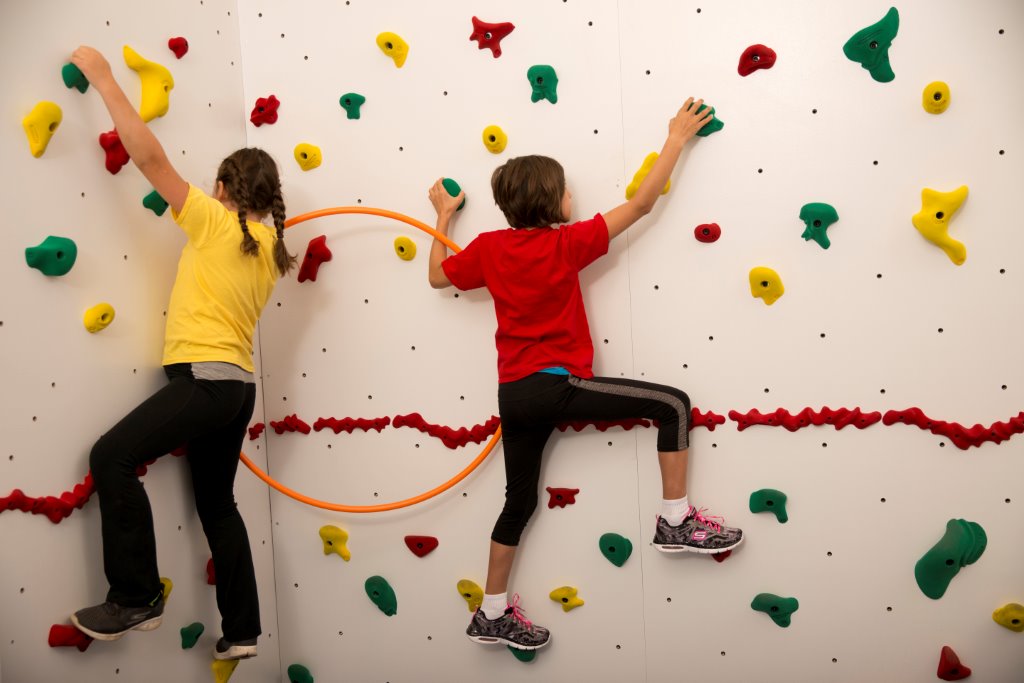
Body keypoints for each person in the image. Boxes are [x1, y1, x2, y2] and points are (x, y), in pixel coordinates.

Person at [426, 98, 743, 651]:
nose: (575, 195)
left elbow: (435, 277)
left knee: (518, 501)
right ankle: (676, 521)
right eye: (568, 188)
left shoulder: (489, 249)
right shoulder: (565, 242)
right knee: (672, 404)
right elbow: (643, 203)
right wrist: (676, 138)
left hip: (513, 394)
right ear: (552, 199)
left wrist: (443, 217)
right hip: (554, 383)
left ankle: (492, 613)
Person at [68, 46, 296, 661]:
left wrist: (106, 80)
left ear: (222, 189)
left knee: (111, 455)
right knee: (218, 505)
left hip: (205, 381)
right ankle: (243, 632)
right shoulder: (272, 248)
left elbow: (148, 156)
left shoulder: (217, 224)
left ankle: (136, 595)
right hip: (237, 390)